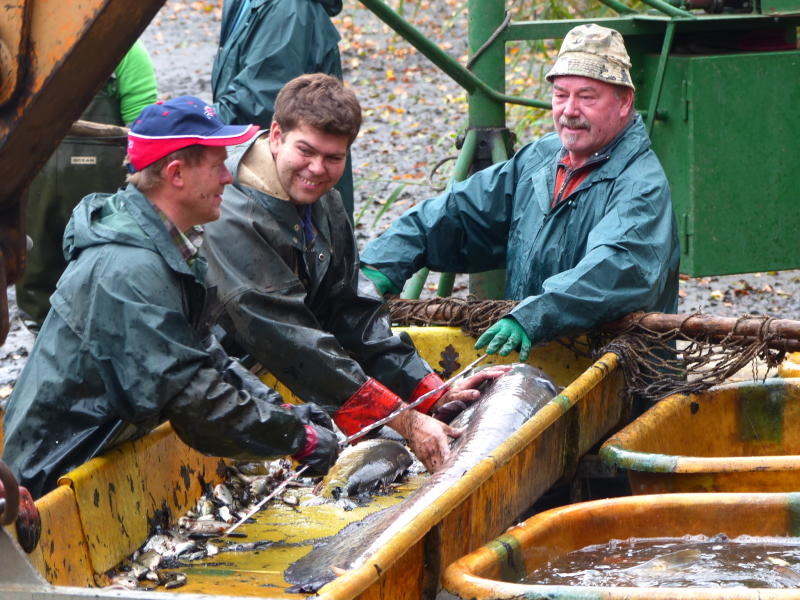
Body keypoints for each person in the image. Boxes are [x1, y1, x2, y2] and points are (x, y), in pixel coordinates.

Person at [2, 97, 340, 499]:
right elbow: (194, 400)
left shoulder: (167, 247)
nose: (228, 179)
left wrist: (282, 412)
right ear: (176, 174)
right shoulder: (127, 271)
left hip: (102, 452)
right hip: (48, 478)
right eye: (217, 166)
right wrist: (297, 438)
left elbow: (203, 354)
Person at [201, 73, 507, 473]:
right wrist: (406, 420)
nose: (317, 169)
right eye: (306, 151)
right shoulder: (229, 213)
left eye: (333, 158)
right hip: (200, 379)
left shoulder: (324, 202)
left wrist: (429, 390)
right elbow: (291, 341)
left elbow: (353, 311)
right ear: (275, 136)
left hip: (254, 371)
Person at [361, 24, 680, 361]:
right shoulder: (540, 159)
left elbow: (614, 270)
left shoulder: (640, 185)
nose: (569, 110)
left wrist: (532, 317)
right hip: (535, 360)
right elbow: (462, 214)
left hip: (619, 380)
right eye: (560, 95)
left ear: (623, 102)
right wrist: (387, 258)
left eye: (587, 97)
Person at [16, 40, 158, 330]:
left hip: (96, 197)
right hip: (31, 189)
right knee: (35, 274)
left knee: (101, 276)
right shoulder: (18, 48)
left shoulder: (124, 50)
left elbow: (142, 133)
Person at [211, 0, 355, 216]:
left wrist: (184, 132)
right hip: (271, 190)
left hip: (289, 198)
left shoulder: (286, 9)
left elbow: (255, 105)